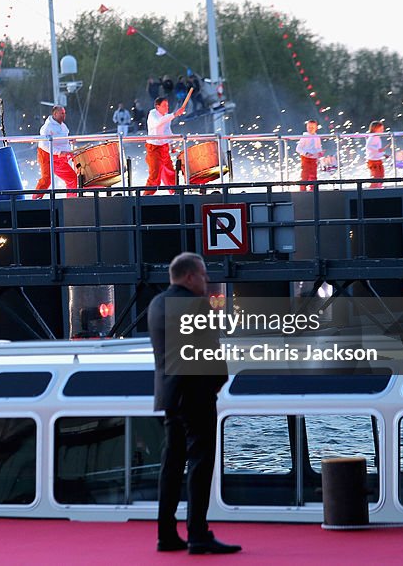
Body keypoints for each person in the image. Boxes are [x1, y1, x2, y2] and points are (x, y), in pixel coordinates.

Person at [148, 252, 239, 555]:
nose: (207, 280)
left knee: (171, 466)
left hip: (170, 397)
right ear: (189, 276)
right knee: (200, 465)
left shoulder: (157, 304)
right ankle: (198, 533)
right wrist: (216, 384)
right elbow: (212, 357)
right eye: (203, 274)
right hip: (197, 397)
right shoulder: (196, 306)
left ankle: (165, 534)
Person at [33, 104, 79, 199]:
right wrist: (58, 152)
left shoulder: (64, 126)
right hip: (47, 155)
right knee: (47, 179)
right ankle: (35, 199)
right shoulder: (46, 127)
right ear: (55, 114)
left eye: (64, 113)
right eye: (61, 113)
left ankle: (71, 199)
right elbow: (44, 144)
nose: (64, 115)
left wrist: (69, 141)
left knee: (72, 178)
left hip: (59, 157)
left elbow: (63, 141)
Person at [144, 96, 186, 194]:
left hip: (164, 147)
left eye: (167, 105)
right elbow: (158, 123)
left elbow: (167, 131)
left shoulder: (166, 116)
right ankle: (146, 197)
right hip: (153, 149)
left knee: (170, 173)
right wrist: (175, 114)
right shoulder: (153, 114)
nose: (167, 108)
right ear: (157, 107)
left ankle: (175, 193)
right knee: (155, 176)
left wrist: (171, 145)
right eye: (164, 106)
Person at [295, 119, 324, 191]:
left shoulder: (317, 137)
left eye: (312, 127)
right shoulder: (305, 137)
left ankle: (313, 190)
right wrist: (306, 153)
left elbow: (318, 147)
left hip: (314, 158)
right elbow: (298, 148)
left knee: (313, 175)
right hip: (306, 158)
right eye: (309, 127)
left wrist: (320, 152)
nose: (310, 129)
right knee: (305, 174)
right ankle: (303, 190)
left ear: (316, 128)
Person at [365, 121, 386, 188]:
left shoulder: (377, 137)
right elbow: (368, 146)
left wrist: (383, 154)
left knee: (381, 175)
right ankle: (372, 189)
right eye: (381, 129)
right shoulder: (372, 137)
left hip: (378, 160)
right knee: (375, 177)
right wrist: (378, 150)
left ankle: (379, 187)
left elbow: (378, 149)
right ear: (375, 129)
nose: (383, 130)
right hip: (373, 161)